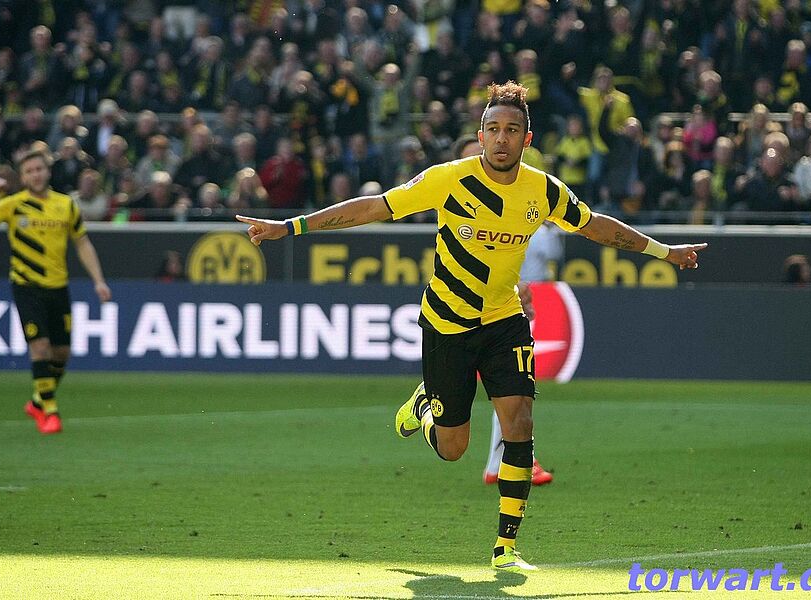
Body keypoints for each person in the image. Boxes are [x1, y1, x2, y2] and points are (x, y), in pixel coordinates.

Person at [236, 82, 706, 572]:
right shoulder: (448, 179)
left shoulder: (543, 190)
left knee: (519, 423)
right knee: (453, 448)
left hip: (504, 320)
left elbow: (595, 225)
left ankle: (506, 548)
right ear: (480, 136)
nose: (502, 138)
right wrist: (291, 226)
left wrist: (665, 252)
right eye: (493, 129)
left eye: (512, 130)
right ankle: (424, 408)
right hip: (448, 325)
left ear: (527, 139)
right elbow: (373, 207)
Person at [0, 149, 111, 434]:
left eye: (39, 169)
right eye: (29, 171)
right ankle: (50, 412)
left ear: (48, 172)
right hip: (27, 286)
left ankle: (37, 401)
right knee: (40, 347)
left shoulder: (66, 205)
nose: (35, 175)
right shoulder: (13, 205)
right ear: (22, 177)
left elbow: (82, 243)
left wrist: (99, 280)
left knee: (62, 353)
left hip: (58, 287)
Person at [453, 133, 555, 487]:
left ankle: (508, 459)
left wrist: (515, 289)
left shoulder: (517, 193)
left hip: (502, 309)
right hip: (462, 308)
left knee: (511, 384)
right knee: (461, 402)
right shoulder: (454, 199)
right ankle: (428, 401)